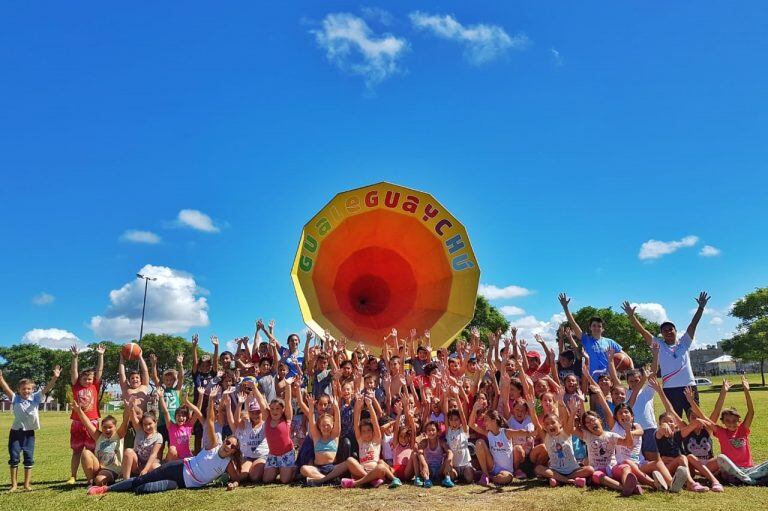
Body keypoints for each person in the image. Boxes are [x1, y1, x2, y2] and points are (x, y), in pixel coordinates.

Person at [88, 390, 242, 495]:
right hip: (180, 466)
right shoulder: (213, 447)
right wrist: (212, 399)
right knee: (142, 480)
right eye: (228, 442)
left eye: (233, 447)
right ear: (225, 441)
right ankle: (105, 489)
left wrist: (233, 484)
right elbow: (209, 420)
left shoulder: (227, 463)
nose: (229, 446)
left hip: (184, 483)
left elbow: (236, 478)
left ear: (234, 451)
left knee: (142, 489)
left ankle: (133, 485)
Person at [622, 292, 709, 418]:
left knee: (696, 418)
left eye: (670, 329)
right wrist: (631, 316)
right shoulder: (658, 344)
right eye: (665, 330)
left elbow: (693, 324)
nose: (668, 332)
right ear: (661, 333)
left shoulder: (684, 342)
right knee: (674, 419)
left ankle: (698, 438)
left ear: (675, 331)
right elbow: (642, 330)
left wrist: (701, 307)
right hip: (670, 388)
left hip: (689, 386)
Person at [651, 376, 720, 492]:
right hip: (669, 467)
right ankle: (690, 484)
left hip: (686, 467)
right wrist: (660, 391)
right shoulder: (659, 435)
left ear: (676, 424)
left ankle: (714, 481)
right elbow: (670, 409)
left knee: (688, 457)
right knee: (683, 457)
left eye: (671, 421)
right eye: (665, 422)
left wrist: (698, 419)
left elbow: (696, 422)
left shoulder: (679, 434)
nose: (668, 424)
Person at [0, 365, 60, 491]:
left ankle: (27, 484)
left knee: (28, 458)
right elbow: (5, 389)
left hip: (29, 434)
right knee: (14, 457)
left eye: (29, 389)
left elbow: (47, 388)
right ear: (19, 390)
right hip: (16, 433)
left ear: (32, 390)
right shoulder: (15, 398)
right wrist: (0, 378)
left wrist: (55, 378)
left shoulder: (36, 398)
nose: (26, 391)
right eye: (23, 389)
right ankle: (14, 485)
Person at [709, 377, 768, 485]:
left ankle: (748, 479)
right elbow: (709, 420)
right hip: (732, 471)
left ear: (739, 421)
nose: (731, 423)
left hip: (749, 470)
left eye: (734, 421)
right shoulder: (721, 432)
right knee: (721, 458)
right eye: (728, 421)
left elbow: (751, 412)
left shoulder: (743, 430)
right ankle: (749, 479)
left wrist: (746, 390)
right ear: (723, 422)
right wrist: (723, 392)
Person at [530, 392, 594, 488]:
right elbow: (536, 422)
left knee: (590, 469)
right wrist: (531, 408)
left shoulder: (566, 433)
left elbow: (567, 418)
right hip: (555, 470)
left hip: (573, 470)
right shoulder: (546, 437)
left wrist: (563, 404)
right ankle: (568, 480)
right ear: (545, 427)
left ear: (560, 424)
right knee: (538, 468)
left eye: (553, 422)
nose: (550, 425)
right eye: (547, 424)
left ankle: (559, 479)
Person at [340, 395, 401, 489]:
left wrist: (370, 406)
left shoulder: (376, 441)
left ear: (373, 432)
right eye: (363, 431)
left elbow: (375, 423)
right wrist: (358, 407)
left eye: (369, 430)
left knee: (380, 466)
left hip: (375, 471)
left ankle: (356, 483)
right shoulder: (361, 441)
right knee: (350, 460)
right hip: (362, 470)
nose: (366, 433)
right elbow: (356, 424)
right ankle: (371, 480)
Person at [559, 293, 624, 379]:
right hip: (592, 379)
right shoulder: (586, 340)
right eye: (594, 325)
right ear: (590, 327)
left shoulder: (610, 342)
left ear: (602, 329)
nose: (596, 328)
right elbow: (573, 323)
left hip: (607, 379)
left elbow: (624, 356)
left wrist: (629, 366)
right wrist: (565, 307)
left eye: (599, 326)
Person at [68, 344, 105, 484]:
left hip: (93, 422)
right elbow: (73, 371)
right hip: (77, 423)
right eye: (85, 379)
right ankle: (73, 476)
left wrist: (101, 355)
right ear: (80, 379)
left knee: (93, 450)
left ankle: (93, 473)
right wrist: (75, 357)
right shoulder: (76, 385)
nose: (87, 381)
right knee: (76, 451)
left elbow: (99, 370)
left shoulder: (95, 385)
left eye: (90, 378)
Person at [71, 400, 130, 487]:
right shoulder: (99, 436)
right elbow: (87, 423)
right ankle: (90, 481)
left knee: (99, 481)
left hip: (112, 469)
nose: (107, 430)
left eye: (110, 427)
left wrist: (128, 409)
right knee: (86, 452)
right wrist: (79, 411)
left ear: (115, 427)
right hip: (98, 466)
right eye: (105, 427)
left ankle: (101, 480)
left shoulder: (118, 435)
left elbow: (125, 422)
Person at [252, 376, 296, 484]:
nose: (274, 411)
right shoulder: (267, 418)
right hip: (273, 455)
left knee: (284, 480)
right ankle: (278, 469)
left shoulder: (286, 418)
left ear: (282, 410)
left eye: (277, 409)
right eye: (272, 408)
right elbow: (261, 401)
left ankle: (293, 468)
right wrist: (254, 388)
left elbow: (288, 401)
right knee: (266, 480)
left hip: (286, 453)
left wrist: (288, 385)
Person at [471, 405, 525, 487]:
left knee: (507, 478)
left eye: (486, 420)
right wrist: (474, 409)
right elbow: (471, 424)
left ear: (494, 421)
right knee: (479, 442)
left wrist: (532, 433)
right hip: (492, 467)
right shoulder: (488, 433)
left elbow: (520, 432)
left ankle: (490, 478)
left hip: (506, 471)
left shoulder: (506, 432)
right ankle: (485, 474)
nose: (484, 423)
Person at [300, 394, 346, 485]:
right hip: (318, 469)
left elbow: (338, 421)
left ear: (332, 426)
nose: (325, 427)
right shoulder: (317, 437)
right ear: (319, 427)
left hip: (332, 468)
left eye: (328, 425)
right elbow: (312, 421)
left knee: (349, 462)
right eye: (323, 426)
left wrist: (336, 407)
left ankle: (321, 480)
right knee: (303, 469)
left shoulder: (334, 436)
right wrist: (311, 407)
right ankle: (328, 480)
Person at [149, 353, 185, 453]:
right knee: (159, 446)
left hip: (174, 422)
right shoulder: (161, 389)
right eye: (166, 379)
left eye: (171, 379)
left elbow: (181, 377)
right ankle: (158, 464)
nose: (169, 381)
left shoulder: (177, 390)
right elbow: (154, 377)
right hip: (162, 422)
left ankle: (170, 463)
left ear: (174, 380)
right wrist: (153, 365)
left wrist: (180, 364)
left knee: (172, 446)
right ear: (164, 380)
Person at [191, 333, 218, 454]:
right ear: (200, 365)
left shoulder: (213, 374)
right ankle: (197, 454)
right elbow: (194, 361)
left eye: (208, 364)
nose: (205, 366)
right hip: (198, 408)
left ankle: (211, 453)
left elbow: (216, 361)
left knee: (211, 431)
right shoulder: (196, 375)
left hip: (210, 408)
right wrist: (194, 347)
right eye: (203, 364)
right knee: (198, 434)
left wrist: (216, 347)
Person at [158, 389, 199, 462]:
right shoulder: (171, 426)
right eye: (179, 415)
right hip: (174, 456)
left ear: (186, 418)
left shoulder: (188, 426)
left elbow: (197, 412)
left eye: (183, 416)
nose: (181, 418)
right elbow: (166, 412)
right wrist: (161, 397)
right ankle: (169, 466)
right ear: (175, 417)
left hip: (186, 456)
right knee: (172, 449)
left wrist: (200, 396)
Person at [415, 421, 455, 488]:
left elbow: (450, 452)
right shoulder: (424, 442)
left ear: (437, 432)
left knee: (448, 457)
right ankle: (426, 480)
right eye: (429, 430)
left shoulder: (441, 442)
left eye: (433, 430)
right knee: (421, 459)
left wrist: (448, 461)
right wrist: (425, 465)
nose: (431, 432)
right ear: (426, 432)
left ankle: (447, 478)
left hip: (440, 470)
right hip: (428, 469)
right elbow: (419, 453)